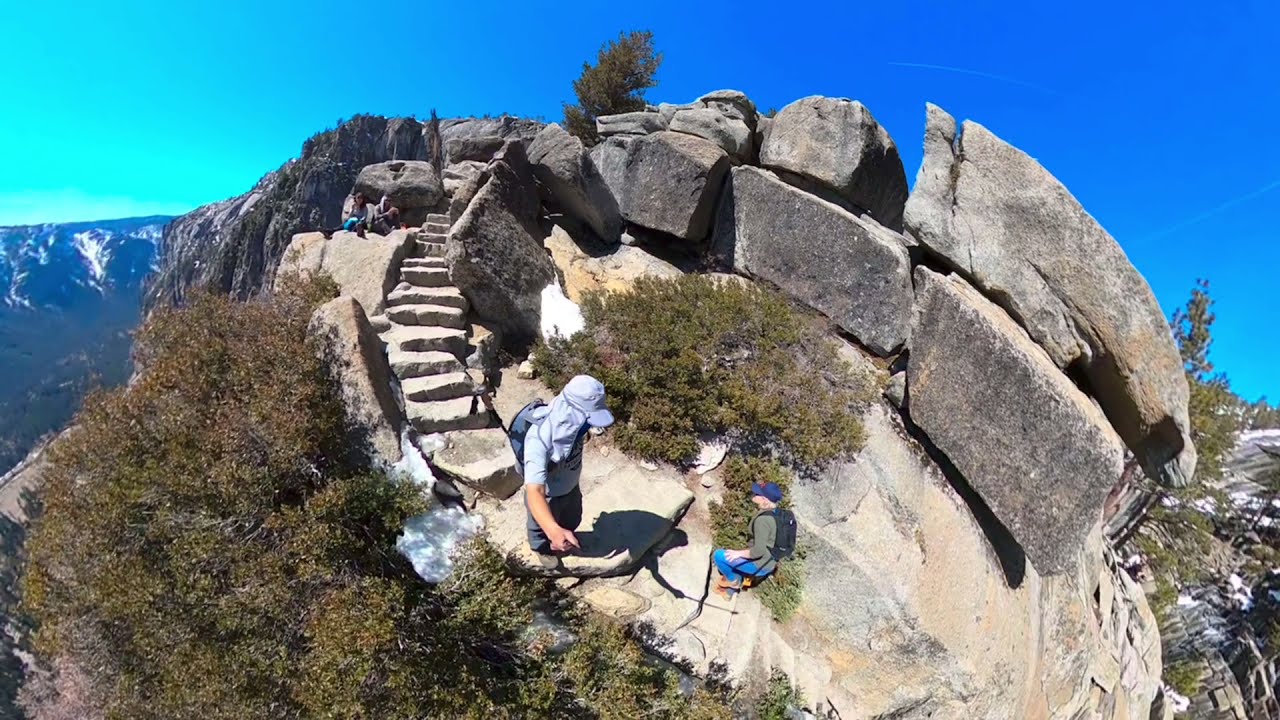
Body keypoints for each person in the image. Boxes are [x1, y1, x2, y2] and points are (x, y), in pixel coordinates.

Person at [520, 375, 614, 567]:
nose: (590, 424)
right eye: (588, 417)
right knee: (539, 528)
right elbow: (534, 492)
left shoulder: (573, 428)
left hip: (570, 485)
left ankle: (566, 534)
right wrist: (552, 529)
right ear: (572, 411)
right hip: (548, 495)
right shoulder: (539, 438)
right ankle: (542, 549)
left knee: (572, 516)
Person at [713, 481, 785, 599]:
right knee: (734, 560)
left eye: (757, 494)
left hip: (759, 565)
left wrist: (737, 554)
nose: (754, 495)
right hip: (770, 562)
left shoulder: (763, 521)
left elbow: (758, 551)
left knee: (719, 556)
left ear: (765, 500)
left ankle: (734, 583)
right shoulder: (778, 514)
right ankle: (734, 583)